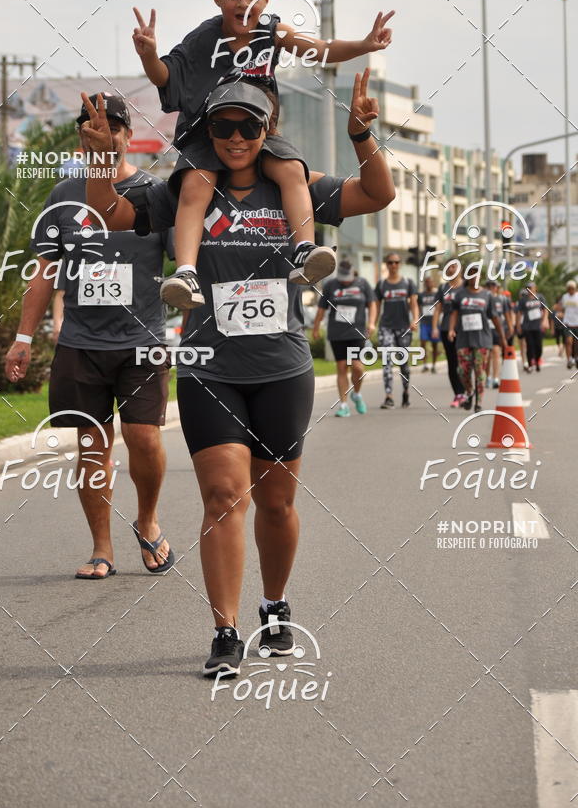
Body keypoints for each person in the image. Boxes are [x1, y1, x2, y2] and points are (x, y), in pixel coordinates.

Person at [80, 71, 395, 676]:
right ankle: (225, 630)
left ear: (266, 128)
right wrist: (100, 160)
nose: (234, 138)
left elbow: (377, 194)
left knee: (276, 503)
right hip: (209, 367)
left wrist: (362, 135)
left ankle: (274, 606)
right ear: (209, 129)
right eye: (222, 126)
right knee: (224, 497)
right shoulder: (187, 188)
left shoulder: (293, 181)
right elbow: (110, 213)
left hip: (281, 367)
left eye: (247, 126)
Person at [132, 0, 394, 308]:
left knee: (291, 169)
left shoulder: (272, 32)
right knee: (195, 184)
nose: (243, 3)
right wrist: (148, 55)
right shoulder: (202, 40)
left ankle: (303, 250)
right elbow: (167, 76)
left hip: (260, 135)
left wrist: (365, 45)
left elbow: (317, 50)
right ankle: (187, 273)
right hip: (210, 136)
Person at [5, 94, 175, 580]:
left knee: (143, 438)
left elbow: (185, 260)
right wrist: (24, 336)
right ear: (83, 137)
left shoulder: (154, 193)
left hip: (142, 340)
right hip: (82, 343)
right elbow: (44, 272)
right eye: (91, 128)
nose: (103, 135)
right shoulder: (62, 195)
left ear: (127, 135)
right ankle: (102, 547)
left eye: (113, 128)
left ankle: (147, 519)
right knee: (92, 444)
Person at [313, 259, 377, 417]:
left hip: (356, 332)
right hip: (337, 333)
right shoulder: (330, 286)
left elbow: (372, 304)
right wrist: (315, 327)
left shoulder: (363, 284)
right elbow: (321, 308)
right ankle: (343, 405)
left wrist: (372, 323)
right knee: (341, 368)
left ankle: (357, 393)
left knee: (358, 367)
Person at [448, 277, 507, 412]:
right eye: (471, 274)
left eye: (476, 273)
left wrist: (502, 337)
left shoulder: (487, 295)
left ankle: (478, 402)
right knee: (463, 371)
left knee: (480, 370)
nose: (474, 277)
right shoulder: (459, 295)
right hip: (464, 339)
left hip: (482, 339)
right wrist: (451, 329)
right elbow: (454, 313)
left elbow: (494, 317)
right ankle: (469, 392)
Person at [375, 255, 419, 409]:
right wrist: (372, 324)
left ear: (399, 264)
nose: (393, 265)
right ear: (386, 264)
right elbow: (377, 306)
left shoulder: (408, 283)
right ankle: (389, 396)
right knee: (387, 361)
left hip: (404, 327)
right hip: (386, 326)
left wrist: (415, 320)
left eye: (396, 262)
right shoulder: (381, 285)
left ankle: (406, 391)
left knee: (403, 363)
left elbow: (414, 303)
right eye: (390, 262)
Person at [431, 269, 466, 406]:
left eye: (454, 267)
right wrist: (435, 327)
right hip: (446, 328)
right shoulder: (443, 288)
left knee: (464, 361)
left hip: (464, 329)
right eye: (449, 267)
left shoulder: (466, 285)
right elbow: (438, 309)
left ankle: (467, 389)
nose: (451, 269)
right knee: (452, 362)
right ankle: (458, 393)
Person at [484, 280, 514, 388]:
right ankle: (488, 377)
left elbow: (507, 314)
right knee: (487, 355)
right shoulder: (484, 298)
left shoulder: (503, 299)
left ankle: (496, 378)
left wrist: (510, 327)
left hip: (497, 328)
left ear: (496, 287)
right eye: (489, 285)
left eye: (493, 285)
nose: (491, 287)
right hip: (485, 329)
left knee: (496, 352)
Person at [516, 282, 548, 373]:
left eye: (531, 287)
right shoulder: (523, 300)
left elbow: (545, 310)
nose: (529, 289)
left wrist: (544, 320)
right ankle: (530, 364)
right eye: (528, 288)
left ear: (535, 288)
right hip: (527, 327)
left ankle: (537, 361)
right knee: (529, 346)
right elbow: (519, 313)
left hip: (538, 326)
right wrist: (518, 326)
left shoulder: (540, 297)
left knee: (539, 346)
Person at [554, 280, 578, 368]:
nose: (570, 290)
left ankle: (576, 357)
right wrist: (559, 312)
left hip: (577, 323)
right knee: (568, 342)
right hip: (568, 323)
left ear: (575, 288)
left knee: (576, 343)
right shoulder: (565, 297)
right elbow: (562, 308)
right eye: (569, 289)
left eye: (572, 288)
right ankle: (569, 360)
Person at [418, 276, 439, 373]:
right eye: (426, 282)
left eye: (430, 282)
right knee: (423, 343)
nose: (428, 284)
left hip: (434, 323)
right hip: (424, 323)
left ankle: (434, 365)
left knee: (435, 345)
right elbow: (418, 307)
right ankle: (425, 364)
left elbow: (439, 308)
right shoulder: (421, 295)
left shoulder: (437, 294)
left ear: (433, 283)